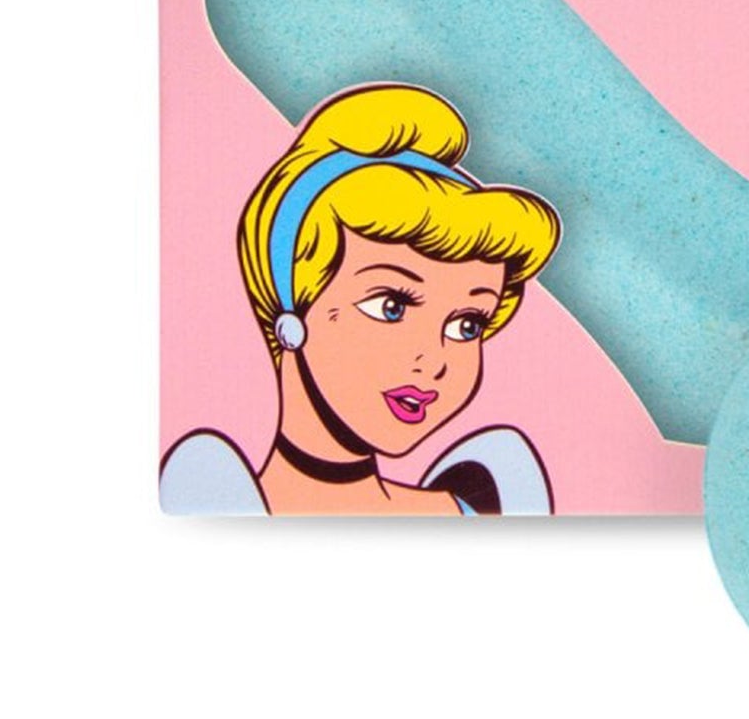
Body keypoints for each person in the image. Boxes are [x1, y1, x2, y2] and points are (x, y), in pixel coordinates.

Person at [161, 85, 561, 515]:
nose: (434, 361)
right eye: (392, 307)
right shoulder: (211, 516)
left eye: (467, 325)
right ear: (293, 309)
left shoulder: (490, 509)